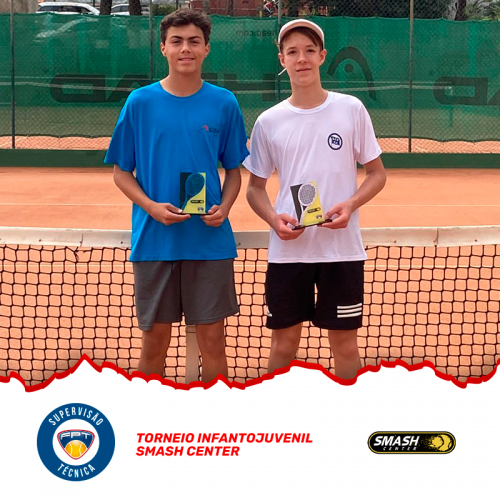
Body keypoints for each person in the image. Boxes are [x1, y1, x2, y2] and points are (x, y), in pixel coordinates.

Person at [105, 10, 249, 382]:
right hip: (155, 241)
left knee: (213, 342)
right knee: (154, 343)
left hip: (209, 242)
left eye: (194, 41)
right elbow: (121, 172)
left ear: (206, 49)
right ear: (163, 48)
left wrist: (225, 207)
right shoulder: (139, 102)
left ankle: (215, 413)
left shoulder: (224, 103)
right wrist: (151, 207)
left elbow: (234, 171)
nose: (186, 48)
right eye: (177, 41)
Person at [244, 19, 386, 379]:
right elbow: (255, 189)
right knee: (283, 345)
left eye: (309, 50)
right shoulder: (268, 121)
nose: (301, 58)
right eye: (292, 52)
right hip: (289, 252)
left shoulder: (351, 109)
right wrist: (273, 219)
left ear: (322, 56)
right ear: (282, 59)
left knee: (345, 346)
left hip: (342, 251)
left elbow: (377, 174)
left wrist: (350, 204)